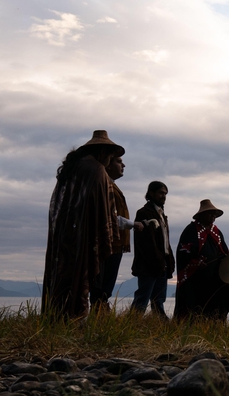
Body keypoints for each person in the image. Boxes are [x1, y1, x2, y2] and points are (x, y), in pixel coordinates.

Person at [42, 130, 124, 319]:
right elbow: (102, 209)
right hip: (83, 234)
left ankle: (56, 318)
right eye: (111, 155)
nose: (111, 159)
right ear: (103, 153)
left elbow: (59, 204)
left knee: (61, 275)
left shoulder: (73, 168)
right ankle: (75, 318)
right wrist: (106, 237)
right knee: (81, 277)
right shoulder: (96, 170)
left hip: (64, 232)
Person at [91, 155, 141, 312]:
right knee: (102, 283)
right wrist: (133, 224)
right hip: (108, 241)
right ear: (108, 165)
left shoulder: (110, 186)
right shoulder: (106, 186)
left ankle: (100, 310)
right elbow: (109, 216)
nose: (123, 165)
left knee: (105, 283)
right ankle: (99, 311)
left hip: (115, 242)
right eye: (119, 162)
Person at [173, 199, 229, 320]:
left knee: (220, 295)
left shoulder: (216, 232)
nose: (213, 216)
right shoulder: (191, 230)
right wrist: (196, 262)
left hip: (214, 276)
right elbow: (184, 252)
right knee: (192, 305)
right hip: (195, 277)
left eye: (214, 214)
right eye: (210, 213)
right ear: (201, 215)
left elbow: (224, 252)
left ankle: (214, 322)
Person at [131, 181, 174, 318]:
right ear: (151, 193)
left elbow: (166, 242)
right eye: (161, 193)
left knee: (159, 299)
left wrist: (169, 261)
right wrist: (157, 259)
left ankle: (160, 324)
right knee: (142, 298)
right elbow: (144, 243)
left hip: (162, 264)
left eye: (165, 193)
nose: (164, 196)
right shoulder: (143, 213)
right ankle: (131, 324)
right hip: (148, 265)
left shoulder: (162, 215)